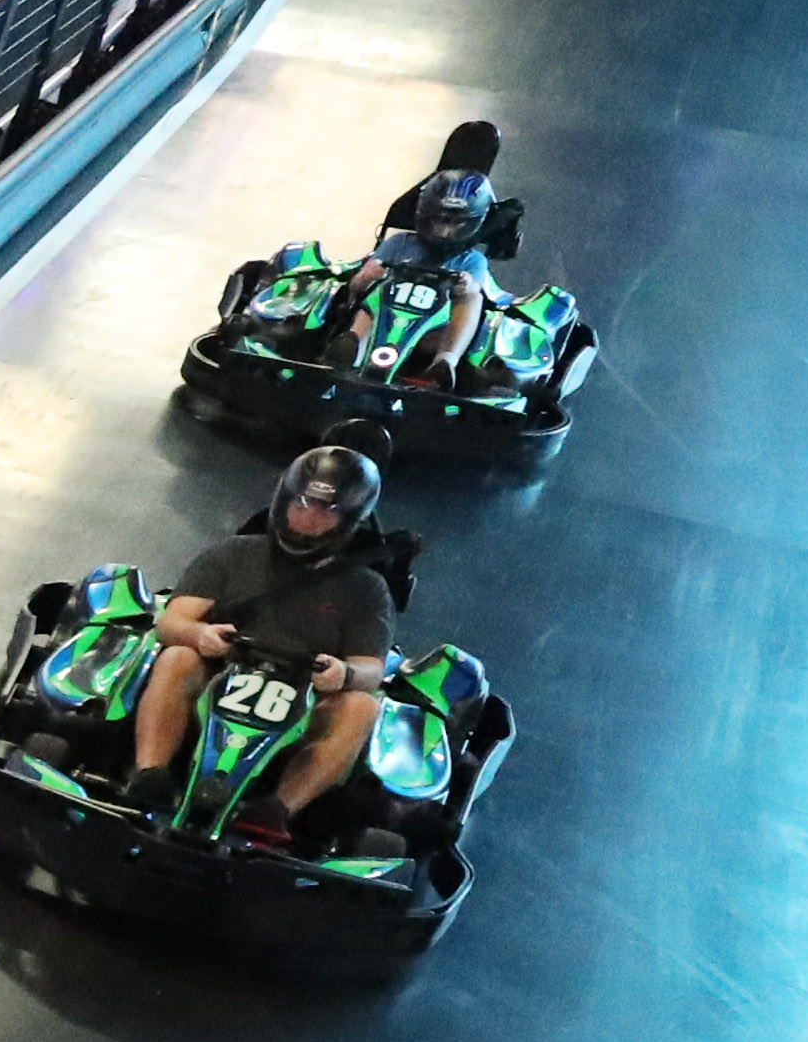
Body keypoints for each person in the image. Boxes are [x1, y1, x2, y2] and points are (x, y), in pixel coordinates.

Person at [123, 444, 409, 840]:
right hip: (218, 676)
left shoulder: (366, 588)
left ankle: (276, 811)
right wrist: (200, 634)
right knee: (176, 657)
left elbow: (371, 669)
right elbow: (172, 622)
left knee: (361, 706)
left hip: (307, 701)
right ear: (284, 499)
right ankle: (150, 774)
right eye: (304, 503)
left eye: (327, 511)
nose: (309, 518)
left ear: (349, 521)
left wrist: (344, 673)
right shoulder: (233, 554)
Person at [352, 121, 523, 385]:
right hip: (382, 323)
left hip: (432, 334)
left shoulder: (471, 260)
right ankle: (352, 348)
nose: (444, 232)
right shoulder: (400, 243)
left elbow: (472, 291)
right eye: (438, 221)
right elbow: (356, 288)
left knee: (472, 299)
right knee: (375, 292)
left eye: (455, 224)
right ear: (423, 214)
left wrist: (465, 286)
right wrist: (367, 276)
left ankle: (446, 363)